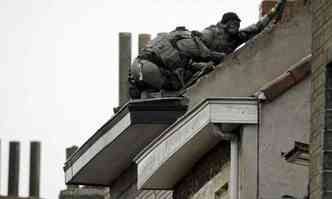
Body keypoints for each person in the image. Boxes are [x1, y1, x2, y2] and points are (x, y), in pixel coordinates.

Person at [129, 0, 286, 99]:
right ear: (224, 24)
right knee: (176, 83)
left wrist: (274, 12)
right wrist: (217, 58)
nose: (235, 27)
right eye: (232, 24)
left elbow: (255, 28)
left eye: (237, 24)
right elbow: (197, 51)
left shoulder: (236, 37)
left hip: (197, 67)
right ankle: (151, 95)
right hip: (186, 64)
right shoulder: (210, 34)